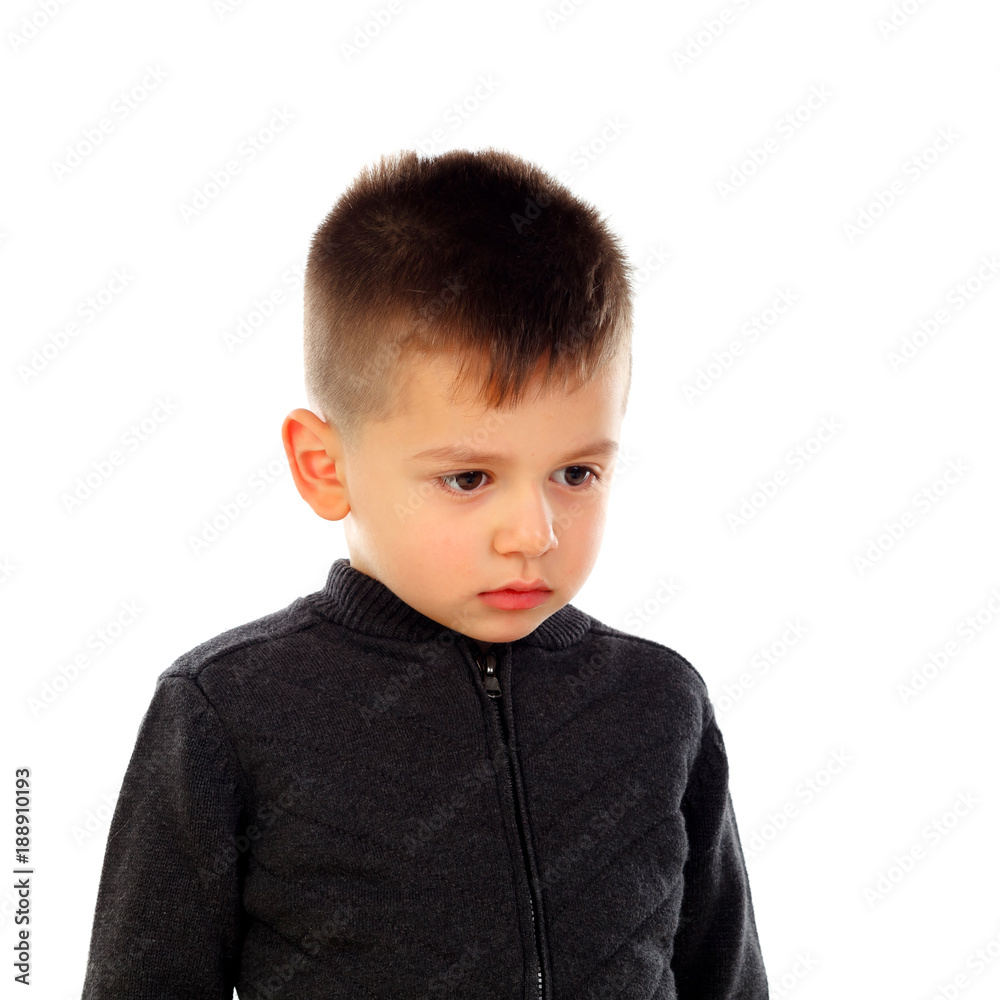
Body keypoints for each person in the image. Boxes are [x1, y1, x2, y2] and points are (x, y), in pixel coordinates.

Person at [81, 147, 769, 999]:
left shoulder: (658, 703)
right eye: (469, 478)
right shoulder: (227, 711)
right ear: (325, 466)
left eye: (577, 473)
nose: (534, 533)